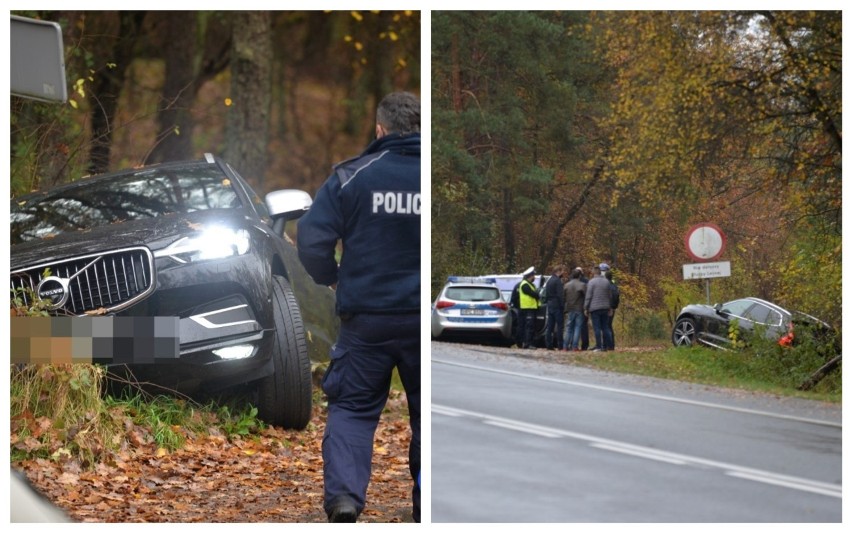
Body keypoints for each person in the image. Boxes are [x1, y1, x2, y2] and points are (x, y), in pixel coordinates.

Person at [296, 91, 421, 523]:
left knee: (352, 407)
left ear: (380, 130)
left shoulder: (352, 177)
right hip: (424, 321)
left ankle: (346, 499)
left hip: (366, 320)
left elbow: (311, 238)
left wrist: (330, 276)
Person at [584, 263, 613, 351]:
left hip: (595, 308)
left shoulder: (591, 282)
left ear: (594, 272)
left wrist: (586, 308)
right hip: (605, 307)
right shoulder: (606, 282)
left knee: (597, 328)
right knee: (605, 327)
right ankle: (609, 345)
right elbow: (610, 295)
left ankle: (599, 346)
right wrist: (610, 307)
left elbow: (588, 296)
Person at [562, 268, 586, 351]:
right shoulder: (582, 285)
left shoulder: (566, 285)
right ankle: (574, 346)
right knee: (577, 327)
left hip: (569, 308)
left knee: (568, 328)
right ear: (579, 276)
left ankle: (565, 346)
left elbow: (563, 297)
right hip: (579, 309)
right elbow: (586, 297)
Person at [517, 266, 540, 348]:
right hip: (527, 308)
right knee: (529, 327)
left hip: (531, 308)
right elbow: (534, 294)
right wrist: (537, 294)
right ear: (530, 276)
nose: (534, 277)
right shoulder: (525, 285)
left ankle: (529, 343)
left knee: (530, 327)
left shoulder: (531, 284)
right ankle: (527, 344)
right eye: (533, 275)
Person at [543, 265, 565, 350]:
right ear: (558, 271)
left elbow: (546, 294)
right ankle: (560, 345)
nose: (563, 273)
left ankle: (549, 344)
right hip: (557, 306)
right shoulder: (558, 281)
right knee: (560, 326)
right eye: (562, 271)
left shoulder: (549, 281)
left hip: (550, 304)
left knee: (550, 326)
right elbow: (560, 295)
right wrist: (562, 306)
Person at [574, 267, 590, 350]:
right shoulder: (586, 282)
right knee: (583, 327)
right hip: (583, 306)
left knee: (574, 326)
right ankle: (585, 345)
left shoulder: (571, 281)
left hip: (574, 307)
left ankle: (573, 345)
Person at [605, 269, 620, 350]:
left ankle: (609, 345)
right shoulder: (615, 286)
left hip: (608, 308)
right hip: (613, 308)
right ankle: (611, 345)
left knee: (606, 326)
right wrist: (615, 307)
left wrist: (609, 307)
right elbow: (617, 297)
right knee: (609, 326)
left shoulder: (607, 286)